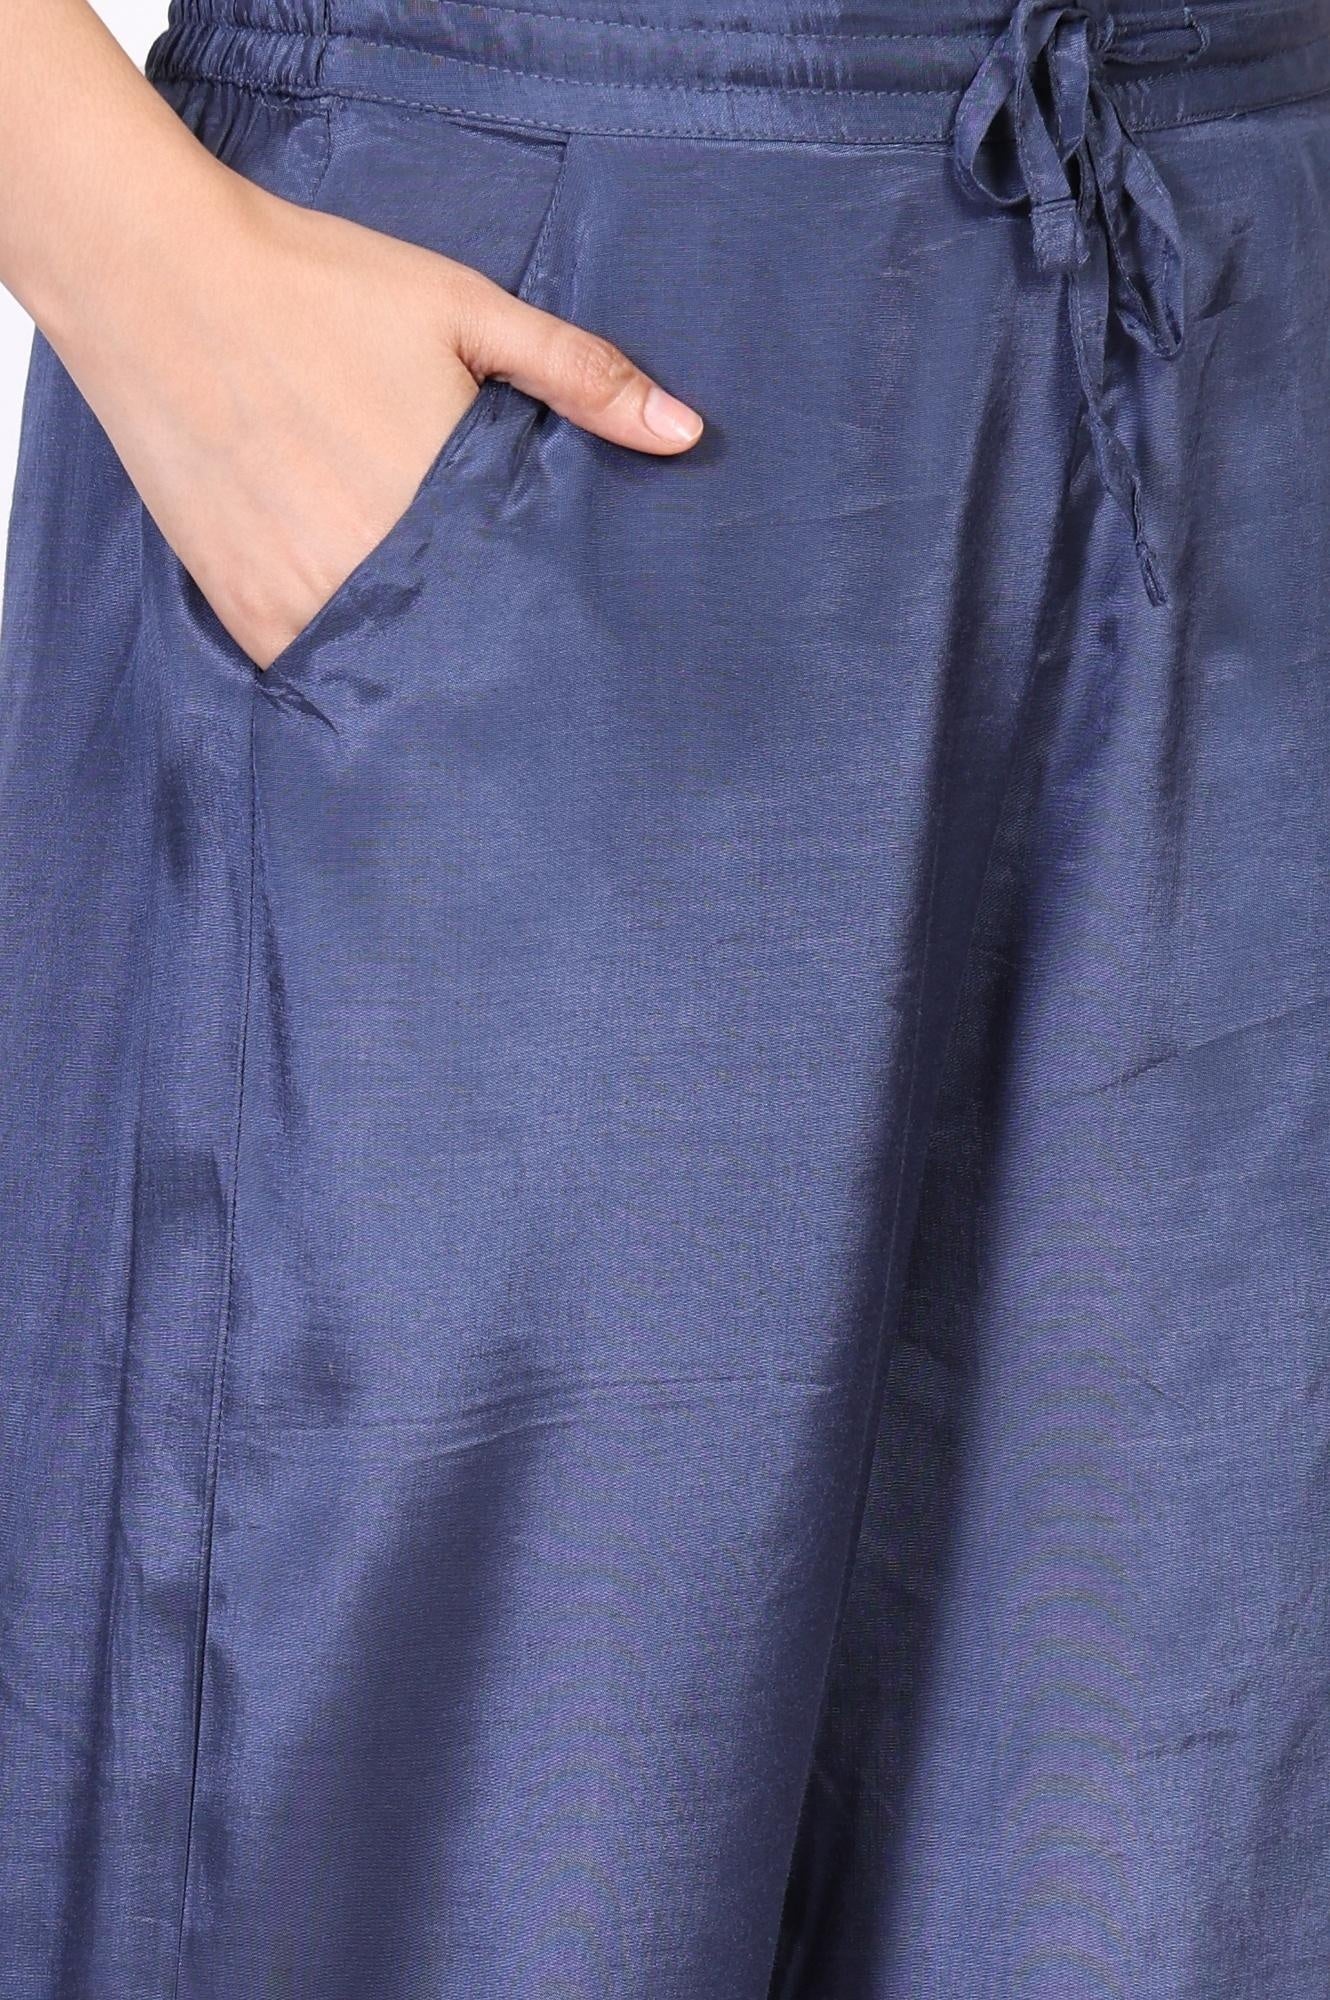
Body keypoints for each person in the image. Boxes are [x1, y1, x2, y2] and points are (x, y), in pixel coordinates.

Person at [1, 0, 1327, 1994]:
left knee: (1163, 1849)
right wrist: (131, 249)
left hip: (1242, 297)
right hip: (532, 302)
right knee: (442, 1862)